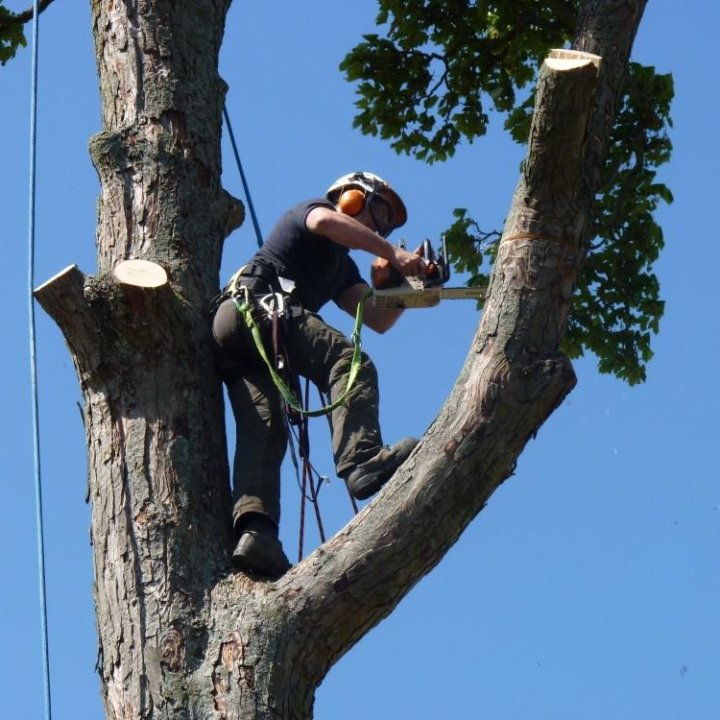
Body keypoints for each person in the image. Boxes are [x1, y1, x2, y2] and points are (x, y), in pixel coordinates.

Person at [212, 171, 423, 579]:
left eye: (386, 224)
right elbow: (327, 224)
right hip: (257, 307)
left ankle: (256, 533)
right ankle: (361, 458)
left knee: (267, 430)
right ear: (350, 197)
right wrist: (395, 254)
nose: (379, 225)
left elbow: (377, 317)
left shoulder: (341, 269)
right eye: (377, 209)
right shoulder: (313, 212)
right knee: (350, 361)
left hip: (244, 337)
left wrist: (405, 282)